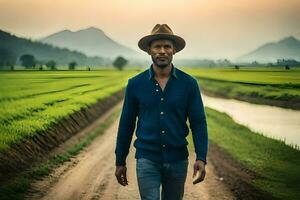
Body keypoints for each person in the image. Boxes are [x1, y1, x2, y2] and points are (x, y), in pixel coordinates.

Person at [114, 24, 208, 200]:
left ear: (174, 51)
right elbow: (126, 124)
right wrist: (120, 161)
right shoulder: (135, 84)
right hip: (146, 159)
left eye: (167, 46)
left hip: (178, 160)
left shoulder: (189, 84)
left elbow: (198, 122)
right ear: (149, 51)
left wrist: (201, 158)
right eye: (157, 46)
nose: (162, 51)